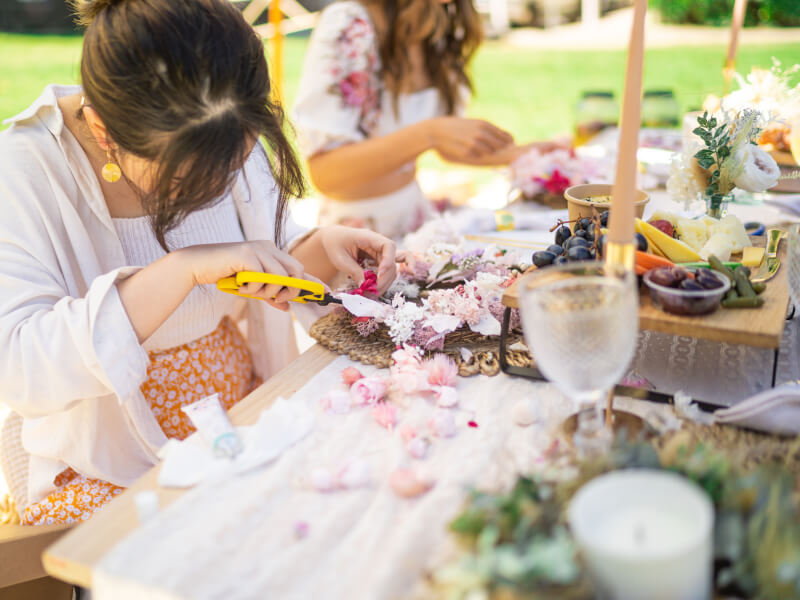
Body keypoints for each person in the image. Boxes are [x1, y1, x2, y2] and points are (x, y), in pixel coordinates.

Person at [0, 0, 395, 525]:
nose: (217, 190)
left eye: (233, 165)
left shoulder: (222, 116)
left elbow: (262, 262)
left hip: (239, 414)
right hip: (108, 466)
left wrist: (323, 249)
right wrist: (181, 268)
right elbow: (19, 365)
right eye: (188, 181)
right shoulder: (22, 171)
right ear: (102, 131)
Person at [292, 0, 559, 238]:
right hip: (352, 236)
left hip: (417, 221)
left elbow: (447, 146)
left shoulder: (437, 29)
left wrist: (525, 154)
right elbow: (326, 173)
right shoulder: (349, 25)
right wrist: (430, 134)